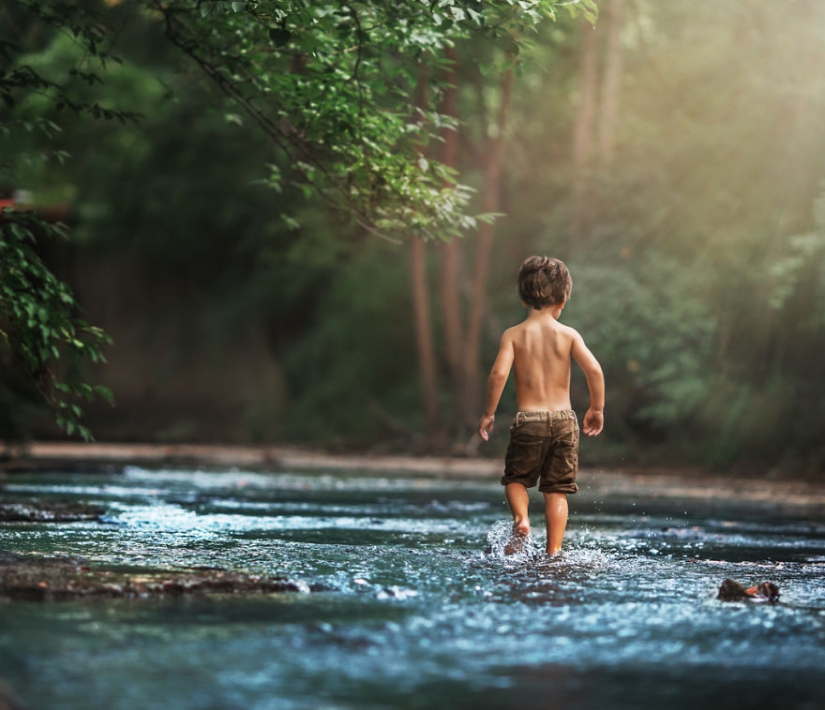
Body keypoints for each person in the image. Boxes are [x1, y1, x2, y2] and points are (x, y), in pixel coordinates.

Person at [478, 256, 605, 555]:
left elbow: (498, 374)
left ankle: (522, 521)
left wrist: (488, 413)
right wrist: (596, 409)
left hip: (529, 420)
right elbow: (595, 371)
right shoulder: (569, 335)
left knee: (516, 480)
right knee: (557, 490)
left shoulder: (513, 335)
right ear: (562, 301)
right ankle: (554, 553)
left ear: (523, 299)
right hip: (564, 421)